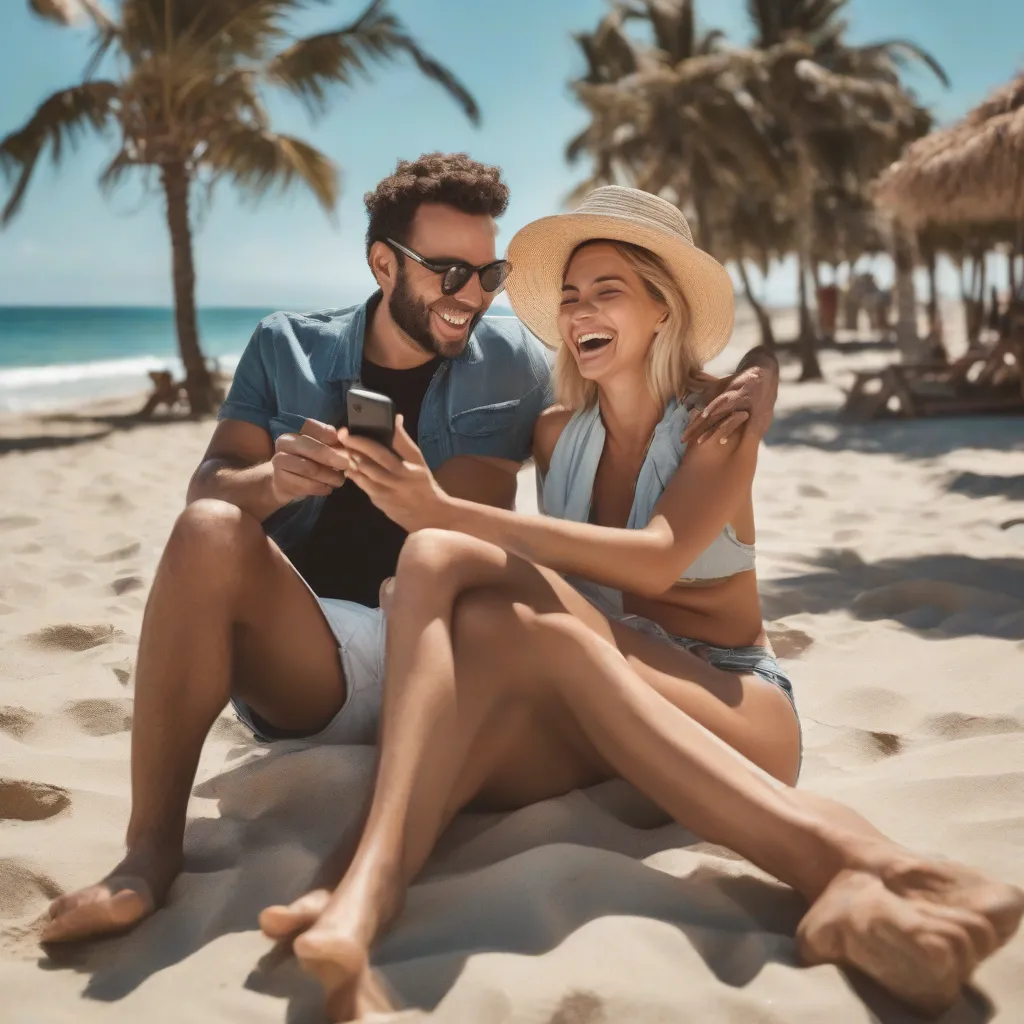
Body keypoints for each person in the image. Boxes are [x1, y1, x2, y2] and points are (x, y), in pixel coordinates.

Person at [260, 187, 1024, 1021]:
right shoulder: (555, 434)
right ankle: (859, 895)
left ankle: (359, 889)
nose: (579, 309)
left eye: (608, 290)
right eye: (571, 295)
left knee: (440, 553)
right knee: (467, 619)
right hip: (604, 705)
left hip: (732, 704)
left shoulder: (716, 421)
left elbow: (659, 561)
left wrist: (441, 513)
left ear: (665, 310)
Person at [41, 158, 778, 944]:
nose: (472, 295)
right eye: (449, 271)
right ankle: (148, 856)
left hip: (472, 660)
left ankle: (359, 884)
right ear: (383, 262)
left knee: (441, 564)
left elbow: (650, 410)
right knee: (207, 529)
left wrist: (759, 376)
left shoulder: (518, 367)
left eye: (488, 273)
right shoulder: (291, 348)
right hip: (327, 658)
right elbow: (210, 490)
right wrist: (276, 480)